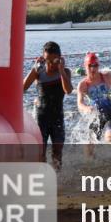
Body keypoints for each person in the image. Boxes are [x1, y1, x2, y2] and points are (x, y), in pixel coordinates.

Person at [22, 41, 72, 169]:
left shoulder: (65, 71)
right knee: (40, 154)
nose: (49, 65)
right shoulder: (38, 71)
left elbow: (68, 90)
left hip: (57, 118)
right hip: (41, 118)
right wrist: (33, 68)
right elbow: (21, 89)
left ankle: (58, 182)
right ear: (43, 59)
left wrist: (61, 70)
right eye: (46, 61)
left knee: (57, 154)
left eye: (53, 61)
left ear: (59, 59)